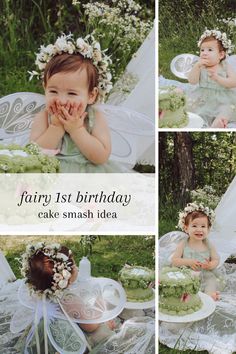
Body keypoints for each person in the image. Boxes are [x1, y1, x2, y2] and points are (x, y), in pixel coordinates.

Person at [29, 34, 154, 172]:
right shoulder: (43, 117)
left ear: (91, 96)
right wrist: (55, 128)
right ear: (44, 88)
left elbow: (101, 157)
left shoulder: (95, 117)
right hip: (51, 172)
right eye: (53, 91)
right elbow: (34, 154)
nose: (62, 100)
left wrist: (77, 130)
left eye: (72, 93)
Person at [171, 202, 223, 300]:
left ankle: (210, 296)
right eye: (194, 226)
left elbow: (216, 259)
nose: (199, 229)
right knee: (183, 282)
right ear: (186, 228)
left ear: (208, 229)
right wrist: (188, 262)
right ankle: (186, 296)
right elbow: (175, 260)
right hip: (187, 272)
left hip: (204, 272)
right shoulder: (184, 243)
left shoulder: (208, 245)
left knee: (211, 280)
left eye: (203, 226)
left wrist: (211, 265)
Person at [187, 29, 236, 128]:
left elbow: (233, 82)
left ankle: (218, 122)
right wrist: (196, 67)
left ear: (221, 55)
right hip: (203, 98)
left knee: (227, 109)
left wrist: (218, 78)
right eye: (202, 50)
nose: (204, 53)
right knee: (198, 112)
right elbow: (192, 81)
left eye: (210, 50)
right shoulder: (200, 66)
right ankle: (202, 123)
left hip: (224, 98)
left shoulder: (225, 66)